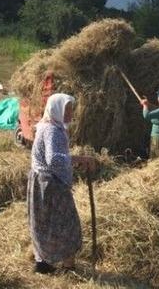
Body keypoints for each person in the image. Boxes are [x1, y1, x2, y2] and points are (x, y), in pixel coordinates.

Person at [27, 93, 96, 275]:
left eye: (70, 109)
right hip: (51, 185)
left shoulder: (46, 126)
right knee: (68, 224)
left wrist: (73, 160)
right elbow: (54, 160)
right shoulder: (52, 130)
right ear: (56, 109)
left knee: (44, 223)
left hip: (41, 182)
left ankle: (42, 263)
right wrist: (79, 158)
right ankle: (68, 267)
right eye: (66, 109)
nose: (70, 113)